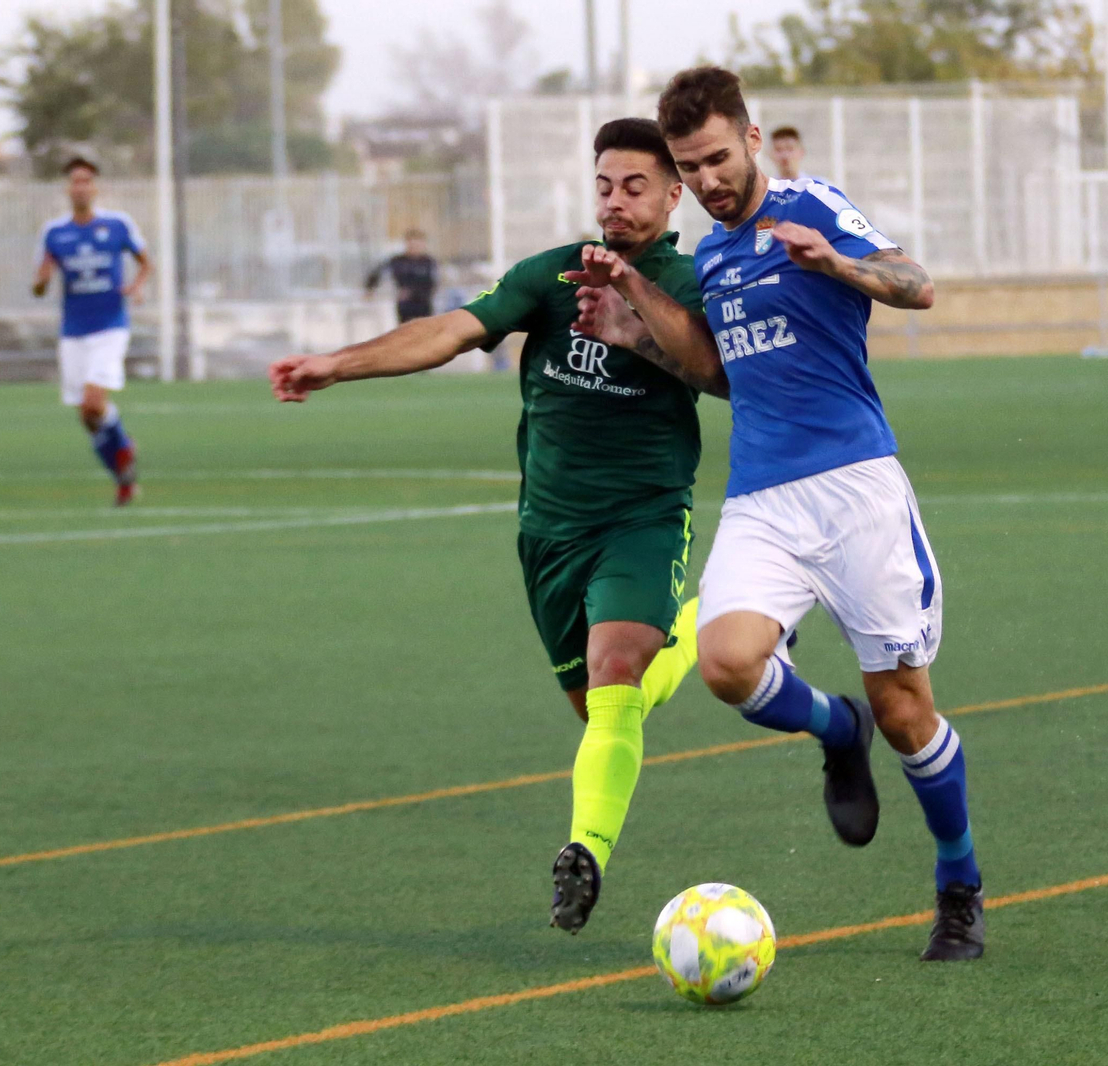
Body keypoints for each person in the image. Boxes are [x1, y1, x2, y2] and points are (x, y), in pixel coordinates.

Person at [566, 66, 984, 961]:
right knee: (725, 664)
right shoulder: (713, 256)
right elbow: (723, 373)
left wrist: (837, 264)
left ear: (751, 140)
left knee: (907, 711)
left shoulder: (812, 206)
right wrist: (635, 327)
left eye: (718, 158)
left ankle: (958, 883)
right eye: (690, 167)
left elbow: (916, 284)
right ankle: (837, 728)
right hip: (762, 498)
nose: (708, 180)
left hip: (857, 491)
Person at [269, 118, 708, 934]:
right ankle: (705, 630)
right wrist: (337, 364)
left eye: (635, 185)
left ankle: (584, 853)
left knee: (616, 670)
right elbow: (449, 330)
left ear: (674, 193)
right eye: (605, 185)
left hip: (642, 518)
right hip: (549, 534)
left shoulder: (688, 282)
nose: (615, 201)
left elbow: (716, 369)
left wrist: (639, 318)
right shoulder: (551, 274)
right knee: (605, 707)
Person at [33, 157, 151, 503]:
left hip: (110, 327)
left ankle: (122, 453)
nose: (81, 187)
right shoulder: (54, 233)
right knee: (87, 416)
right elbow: (39, 285)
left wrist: (137, 287)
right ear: (67, 189)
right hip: (73, 331)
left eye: (87, 180)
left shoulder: (117, 224)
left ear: (96, 188)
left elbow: (146, 263)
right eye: (75, 181)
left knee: (93, 402)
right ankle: (122, 470)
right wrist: (41, 281)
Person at [364, 229, 437, 324]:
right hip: (405, 306)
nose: (414, 247)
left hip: (424, 305)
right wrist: (370, 289)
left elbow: (432, 284)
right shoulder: (398, 261)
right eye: (412, 244)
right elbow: (379, 272)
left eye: (417, 244)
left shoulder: (429, 262)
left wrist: (413, 292)